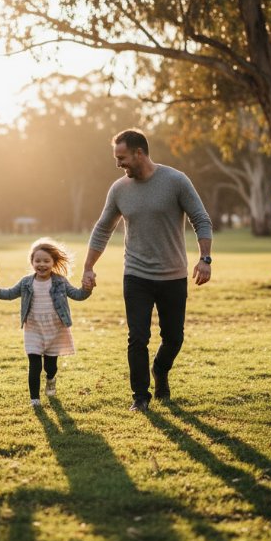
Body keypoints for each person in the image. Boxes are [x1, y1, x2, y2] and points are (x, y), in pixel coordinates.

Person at [82, 129, 213, 412]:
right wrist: (88, 267)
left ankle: (160, 369)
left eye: (122, 157)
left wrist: (205, 259)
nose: (118, 164)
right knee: (137, 337)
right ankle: (140, 397)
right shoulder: (119, 189)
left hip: (173, 275)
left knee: (174, 337)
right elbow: (103, 228)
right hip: (136, 274)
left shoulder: (176, 181)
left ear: (139, 152)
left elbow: (200, 219)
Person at [0, 238, 91, 407]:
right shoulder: (26, 282)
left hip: (55, 329)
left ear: (53, 262)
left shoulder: (60, 281)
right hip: (33, 329)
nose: (42, 264)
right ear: (32, 262)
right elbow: (10, 294)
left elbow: (78, 295)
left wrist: (87, 288)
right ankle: (34, 399)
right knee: (34, 365)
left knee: (51, 367)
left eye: (46, 261)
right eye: (38, 261)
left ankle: (51, 379)